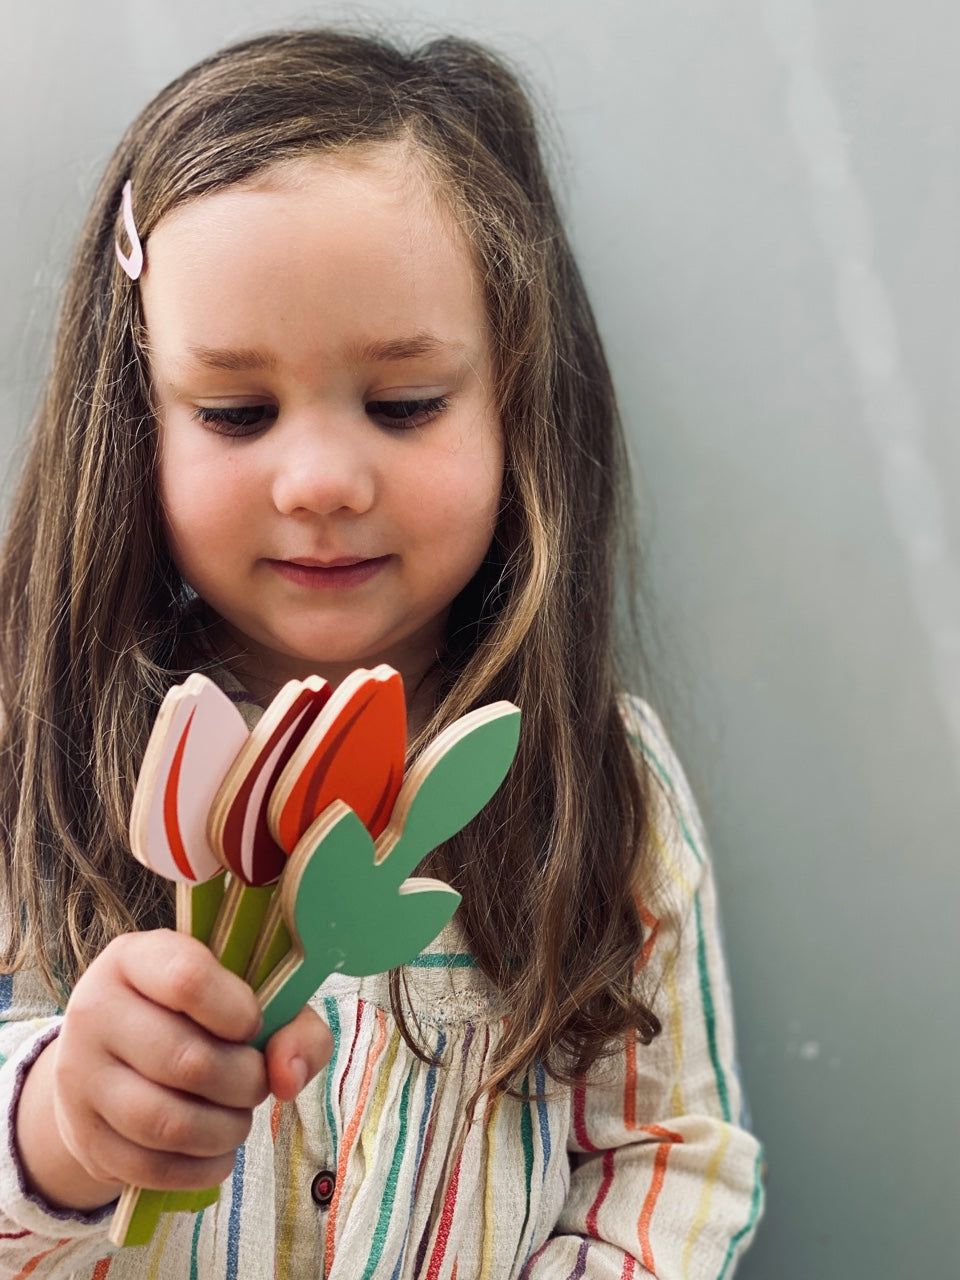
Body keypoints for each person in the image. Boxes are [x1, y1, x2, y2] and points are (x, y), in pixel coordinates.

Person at [0, 28, 763, 1279]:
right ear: (132, 420)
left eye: (404, 404)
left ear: (518, 398)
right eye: (236, 411)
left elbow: (672, 1157)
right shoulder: (40, 763)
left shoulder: (599, 785)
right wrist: (61, 1127)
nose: (319, 480)